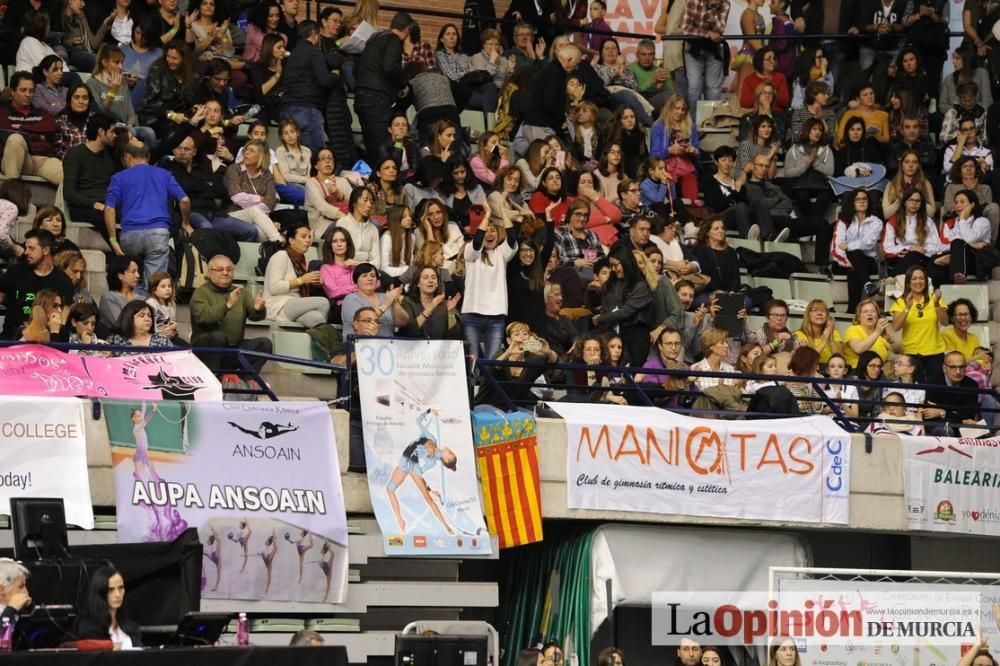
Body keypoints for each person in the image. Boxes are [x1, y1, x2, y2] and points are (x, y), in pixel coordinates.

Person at [105, 142, 192, 296]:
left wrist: (113, 240)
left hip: (130, 234)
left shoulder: (118, 177)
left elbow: (109, 208)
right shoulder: (164, 174)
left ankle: (135, 314)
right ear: (148, 157)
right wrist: (185, 223)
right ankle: (150, 316)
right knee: (154, 284)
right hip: (158, 233)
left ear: (127, 157)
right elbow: (184, 200)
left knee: (133, 282)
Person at [191, 254, 273, 373]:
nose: (225, 272)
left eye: (229, 269)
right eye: (220, 269)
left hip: (233, 348)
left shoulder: (241, 293)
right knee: (218, 337)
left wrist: (258, 309)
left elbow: (256, 317)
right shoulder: (201, 293)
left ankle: (247, 380)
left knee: (265, 344)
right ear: (209, 273)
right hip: (205, 350)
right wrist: (227, 305)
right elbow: (204, 317)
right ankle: (215, 377)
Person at [385, 408, 458, 534]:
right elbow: (418, 421)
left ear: (445, 459)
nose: (450, 450)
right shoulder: (432, 439)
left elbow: (420, 474)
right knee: (390, 489)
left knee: (428, 499)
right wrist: (429, 411)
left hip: (413, 466)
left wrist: (429, 490)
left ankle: (447, 527)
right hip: (405, 461)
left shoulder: (432, 461)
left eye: (450, 453)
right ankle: (400, 520)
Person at [355, 12, 414, 160]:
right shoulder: (393, 40)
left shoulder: (374, 39)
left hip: (361, 96)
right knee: (382, 148)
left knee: (371, 147)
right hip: (377, 98)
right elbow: (389, 68)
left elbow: (358, 69)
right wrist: (403, 84)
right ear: (407, 29)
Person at [0, 229, 74, 340]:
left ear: (45, 250)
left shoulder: (63, 281)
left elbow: (61, 321)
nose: (26, 252)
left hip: (46, 345)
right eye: (26, 248)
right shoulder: (15, 272)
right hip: (10, 341)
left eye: (31, 248)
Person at [462, 215, 518, 360]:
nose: (489, 233)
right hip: (472, 316)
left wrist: (502, 211)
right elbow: (477, 242)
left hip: (496, 318)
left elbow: (512, 237)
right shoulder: (471, 251)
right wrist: (486, 215)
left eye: (493, 230)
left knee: (492, 363)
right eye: (485, 230)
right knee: (472, 363)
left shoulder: (502, 253)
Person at [279, 22, 336, 153]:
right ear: (314, 35)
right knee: (316, 156)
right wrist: (335, 75)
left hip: (287, 109)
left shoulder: (292, 55)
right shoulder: (314, 53)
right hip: (307, 109)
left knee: (294, 157)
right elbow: (324, 80)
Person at [0, 71, 62, 185]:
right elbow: (7, 134)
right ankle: (12, 195)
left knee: (68, 178)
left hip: (41, 160)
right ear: (13, 92)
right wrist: (37, 135)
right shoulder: (2, 112)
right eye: (23, 90)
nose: (28, 94)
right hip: (13, 160)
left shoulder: (42, 113)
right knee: (15, 139)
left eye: (31, 91)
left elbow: (52, 128)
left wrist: (21, 129)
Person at [264, 222, 330, 329]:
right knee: (324, 302)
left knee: (317, 319)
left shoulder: (302, 260)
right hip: (279, 305)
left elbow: (301, 287)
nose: (308, 240)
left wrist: (316, 283)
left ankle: (315, 344)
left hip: (294, 304)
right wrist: (301, 280)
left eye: (309, 237)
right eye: (303, 237)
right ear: (291, 240)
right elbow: (274, 288)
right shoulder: (281, 256)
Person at [890, 265, 948, 384]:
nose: (918, 281)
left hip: (935, 353)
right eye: (914, 278)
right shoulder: (901, 302)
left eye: (922, 278)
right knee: (915, 392)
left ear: (926, 282)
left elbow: (945, 322)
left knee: (935, 391)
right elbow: (896, 327)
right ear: (908, 282)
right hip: (911, 354)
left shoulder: (934, 299)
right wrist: (907, 307)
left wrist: (937, 305)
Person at [62, 113, 118, 235]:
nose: (115, 135)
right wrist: (93, 204)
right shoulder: (75, 155)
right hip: (84, 207)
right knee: (105, 215)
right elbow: (69, 193)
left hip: (107, 204)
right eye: (112, 131)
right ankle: (118, 250)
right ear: (101, 132)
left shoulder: (109, 155)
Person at [830, 189, 883, 312]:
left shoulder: (876, 222)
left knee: (855, 262)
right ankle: (867, 284)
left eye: (865, 199)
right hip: (843, 262)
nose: (862, 202)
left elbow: (868, 243)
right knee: (854, 265)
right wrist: (845, 261)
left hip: (868, 262)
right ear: (852, 202)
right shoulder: (844, 221)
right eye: (858, 199)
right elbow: (837, 245)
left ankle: (851, 310)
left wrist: (849, 246)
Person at [944, 189, 998, 283]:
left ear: (972, 205)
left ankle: (958, 275)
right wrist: (971, 244)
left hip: (977, 260)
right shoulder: (953, 223)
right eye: (956, 202)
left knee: (958, 242)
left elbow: (970, 238)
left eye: (962, 202)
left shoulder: (982, 222)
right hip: (954, 258)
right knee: (935, 262)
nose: (958, 205)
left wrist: (962, 218)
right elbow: (944, 244)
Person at [340, 263, 407, 338]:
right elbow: (362, 324)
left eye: (373, 276)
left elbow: (402, 323)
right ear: (356, 281)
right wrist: (385, 305)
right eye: (364, 276)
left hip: (388, 346)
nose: (370, 279)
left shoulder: (385, 297)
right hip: (358, 345)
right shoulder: (350, 299)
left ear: (377, 280)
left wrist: (394, 302)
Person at [682, 0, 730, 104]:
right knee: (694, 87)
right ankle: (694, 120)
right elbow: (686, 29)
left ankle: (711, 119)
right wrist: (707, 33)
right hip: (693, 48)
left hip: (714, 49)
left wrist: (712, 9)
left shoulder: (725, 4)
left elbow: (720, 30)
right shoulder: (693, 1)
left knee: (713, 89)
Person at [924, 351, 982, 433]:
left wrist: (943, 413)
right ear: (944, 368)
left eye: (961, 367)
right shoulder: (932, 384)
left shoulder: (972, 385)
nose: (958, 371)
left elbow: (968, 416)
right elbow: (930, 414)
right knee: (944, 430)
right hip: (939, 426)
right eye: (953, 367)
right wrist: (958, 417)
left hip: (962, 428)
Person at [400, 266, 462, 339]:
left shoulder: (444, 305)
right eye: (426, 278)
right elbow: (408, 331)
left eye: (433, 278)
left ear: (437, 284)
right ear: (418, 284)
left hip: (438, 350)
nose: (430, 280)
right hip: (413, 349)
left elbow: (454, 335)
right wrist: (432, 306)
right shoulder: (408, 302)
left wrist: (451, 313)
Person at [107, 300, 174, 350]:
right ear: (129, 318)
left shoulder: (161, 340)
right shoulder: (115, 340)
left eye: (149, 315)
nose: (147, 319)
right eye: (141, 315)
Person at [0, 560, 31, 629]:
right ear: (1, 589)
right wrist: (10, 610)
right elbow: (3, 637)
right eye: (21, 587)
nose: (26, 592)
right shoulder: (9, 612)